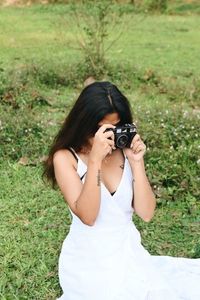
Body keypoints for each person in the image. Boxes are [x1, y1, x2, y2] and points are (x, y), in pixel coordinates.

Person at [43, 81, 200, 300]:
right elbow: (88, 216)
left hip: (127, 252)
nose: (106, 135)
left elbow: (146, 214)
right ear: (84, 123)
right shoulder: (65, 158)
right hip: (88, 260)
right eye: (99, 128)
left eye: (114, 127)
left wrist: (137, 163)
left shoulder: (123, 150)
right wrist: (95, 161)